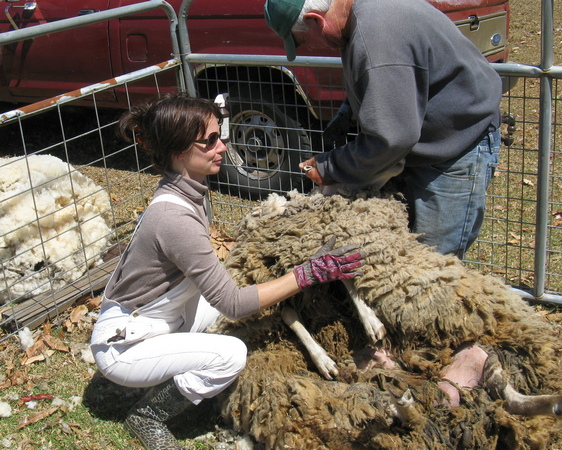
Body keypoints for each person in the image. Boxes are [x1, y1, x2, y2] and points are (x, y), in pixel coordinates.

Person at [90, 93, 364, 450]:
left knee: (240, 302)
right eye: (209, 141)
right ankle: (149, 416)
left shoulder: (191, 192)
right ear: (177, 150)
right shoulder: (174, 217)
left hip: (161, 315)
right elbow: (234, 303)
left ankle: (179, 369)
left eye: (222, 135)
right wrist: (307, 274)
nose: (222, 147)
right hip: (125, 345)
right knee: (231, 352)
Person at [265, 0, 503, 259]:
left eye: (302, 41)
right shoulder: (360, 17)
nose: (309, 48)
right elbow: (389, 86)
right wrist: (349, 110)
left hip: (456, 146)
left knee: (430, 264)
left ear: (315, 20)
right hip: (430, 141)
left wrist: (329, 167)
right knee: (408, 251)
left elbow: (391, 138)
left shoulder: (375, 33)